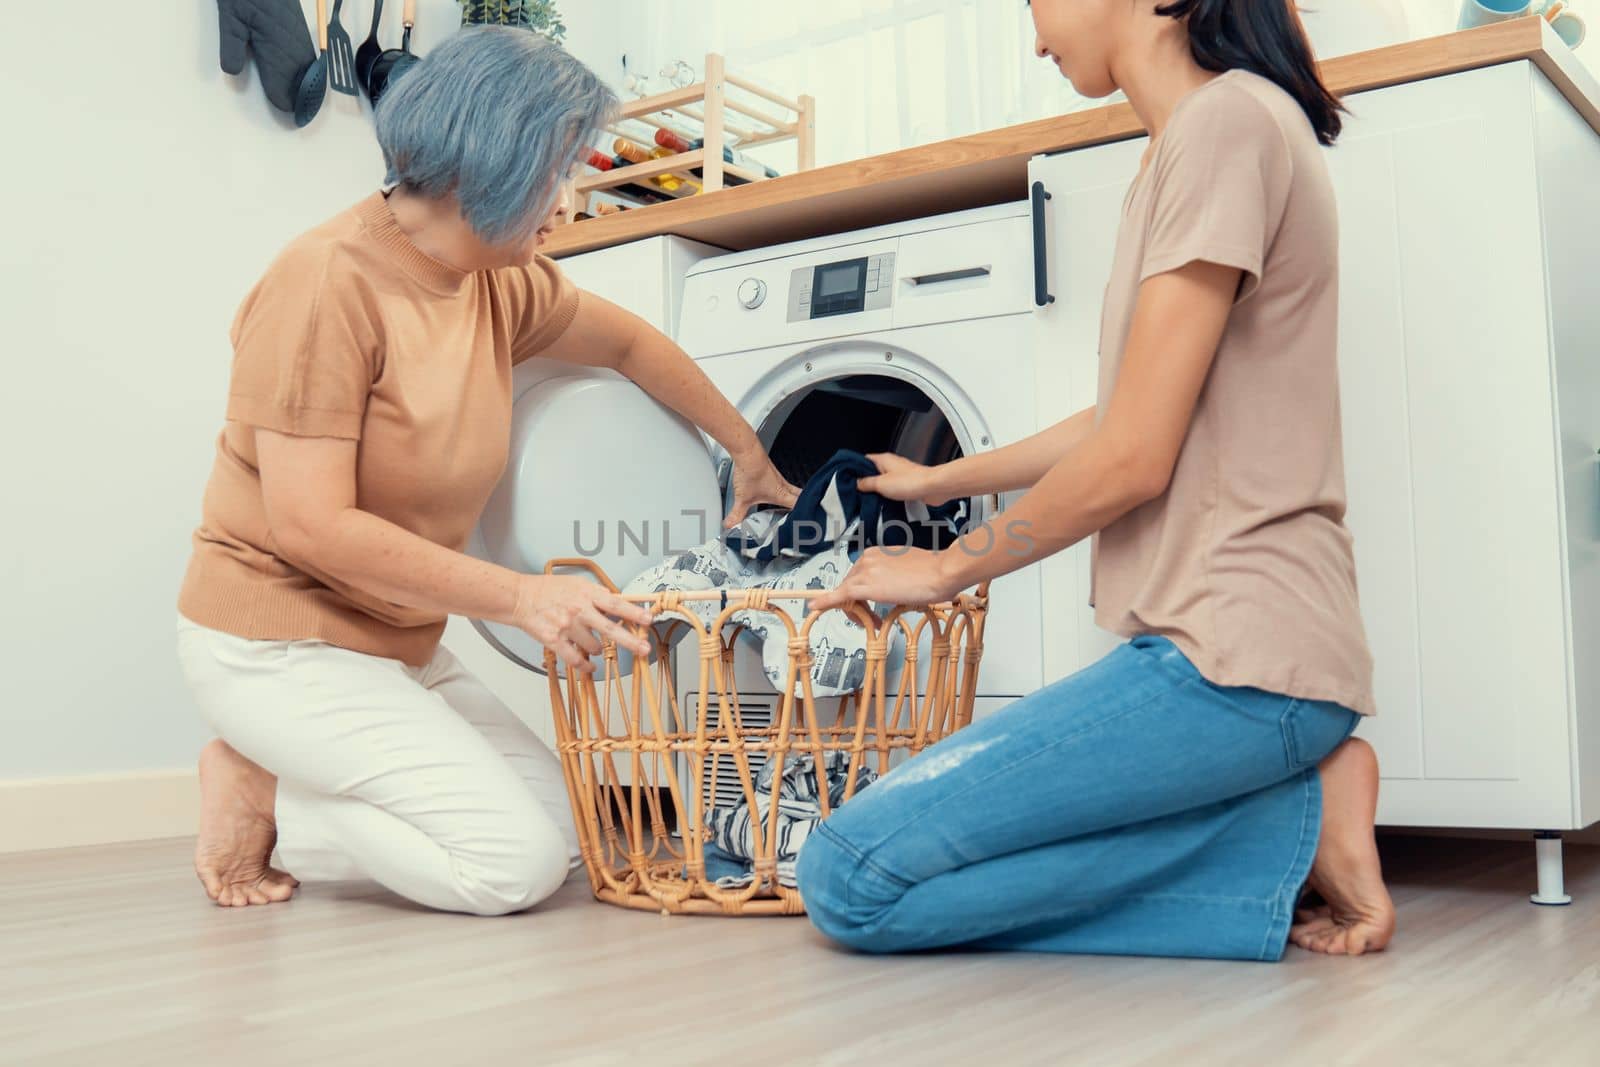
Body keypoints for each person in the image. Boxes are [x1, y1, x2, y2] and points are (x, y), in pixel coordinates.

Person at [796, 0, 1396, 959]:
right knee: (874, 874)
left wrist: (948, 567)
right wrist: (940, 476)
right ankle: (1292, 822)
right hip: (1222, 656)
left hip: (1236, 663)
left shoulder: (1225, 125)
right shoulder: (1187, 144)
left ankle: (1290, 824)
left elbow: (1132, 455)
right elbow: (1123, 414)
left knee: (850, 880)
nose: (1033, 33)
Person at [175, 28, 799, 916]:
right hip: (277, 642)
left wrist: (747, 450)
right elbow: (309, 526)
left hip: (398, 645)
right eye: (557, 170)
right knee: (511, 867)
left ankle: (279, 769)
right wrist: (522, 598)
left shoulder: (495, 279)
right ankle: (260, 784)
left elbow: (626, 341)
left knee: (568, 837)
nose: (568, 199)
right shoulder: (325, 283)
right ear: (490, 162)